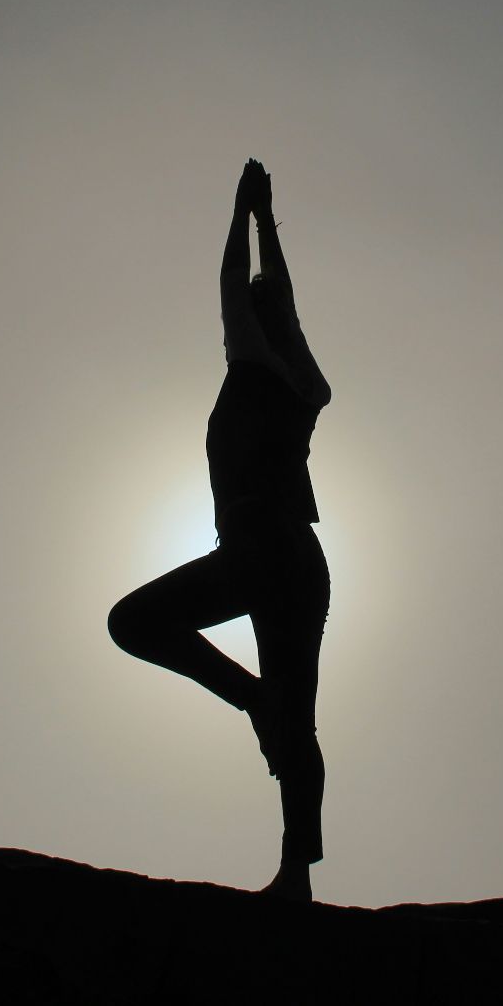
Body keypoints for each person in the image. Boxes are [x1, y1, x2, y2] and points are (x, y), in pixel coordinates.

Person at [108, 158, 333, 902]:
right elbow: (284, 300)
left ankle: (251, 700)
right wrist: (268, 221)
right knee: (299, 718)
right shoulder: (306, 384)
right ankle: (296, 874)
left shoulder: (256, 362)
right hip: (302, 557)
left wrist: (243, 216)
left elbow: (240, 287)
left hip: (260, 544)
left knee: (133, 621)